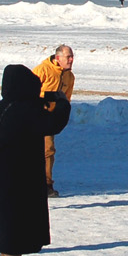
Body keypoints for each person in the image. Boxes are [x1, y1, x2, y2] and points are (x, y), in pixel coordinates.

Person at [0, 64, 71, 256]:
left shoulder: (2, 107)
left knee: (9, 210)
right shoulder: (24, 110)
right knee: (19, 212)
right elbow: (52, 124)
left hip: (7, 164)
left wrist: (37, 103)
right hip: (23, 167)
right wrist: (62, 103)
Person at [32, 45, 75, 197]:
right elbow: (27, 92)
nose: (71, 60)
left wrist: (60, 117)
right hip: (33, 116)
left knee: (48, 150)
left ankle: (46, 184)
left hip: (49, 120)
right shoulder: (42, 70)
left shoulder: (69, 77)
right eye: (68, 57)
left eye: (72, 57)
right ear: (58, 58)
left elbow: (66, 101)